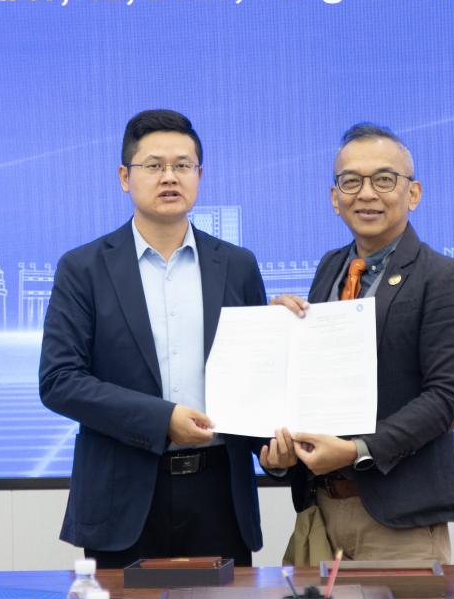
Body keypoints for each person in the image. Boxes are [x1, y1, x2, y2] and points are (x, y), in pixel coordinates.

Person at [39, 109, 293, 568]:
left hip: (219, 495)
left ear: (199, 176)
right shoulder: (83, 268)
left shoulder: (237, 265)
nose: (169, 177)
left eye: (182, 165)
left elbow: (254, 380)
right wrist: (162, 419)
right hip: (123, 498)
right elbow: (59, 381)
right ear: (125, 177)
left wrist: (272, 451)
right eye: (154, 166)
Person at [273, 123, 454, 563]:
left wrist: (357, 451)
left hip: (398, 522)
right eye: (351, 181)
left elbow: (447, 399)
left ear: (413, 193)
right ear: (334, 197)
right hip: (321, 512)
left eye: (384, 179)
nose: (366, 193)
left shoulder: (442, 277)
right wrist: (282, 333)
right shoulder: (330, 267)